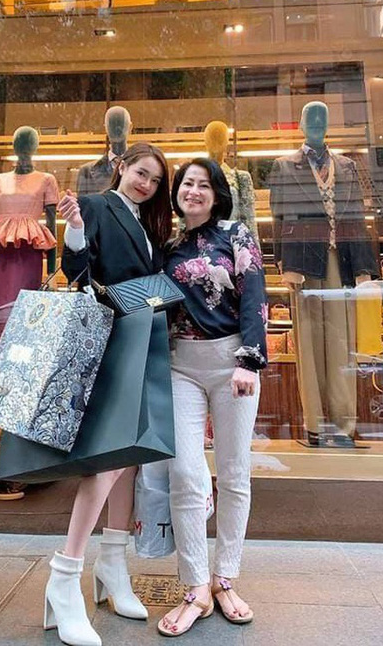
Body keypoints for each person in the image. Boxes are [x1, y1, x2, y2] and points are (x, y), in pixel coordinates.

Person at [46, 143, 173, 646]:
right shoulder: (95, 205)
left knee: (131, 457)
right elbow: (77, 272)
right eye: (141, 173)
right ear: (121, 167)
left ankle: (113, 563)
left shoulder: (148, 222)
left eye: (155, 180)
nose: (146, 184)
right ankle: (66, 573)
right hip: (111, 340)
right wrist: (75, 228)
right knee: (107, 459)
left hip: (143, 341)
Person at [157, 159, 267, 637]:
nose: (194, 191)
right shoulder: (168, 246)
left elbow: (254, 296)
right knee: (184, 472)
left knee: (235, 472)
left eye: (204, 184)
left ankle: (225, 578)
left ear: (217, 193)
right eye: (187, 183)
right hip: (180, 364)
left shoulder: (237, 235)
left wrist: (249, 359)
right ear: (177, 193)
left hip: (232, 362)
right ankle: (196, 586)